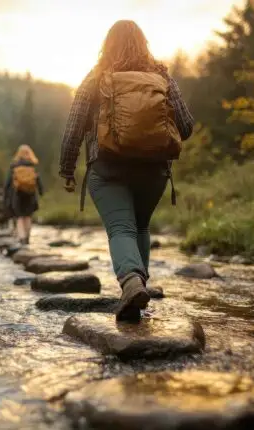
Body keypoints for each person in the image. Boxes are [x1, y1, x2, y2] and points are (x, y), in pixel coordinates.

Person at [58, 20, 195, 321]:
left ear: (107, 45)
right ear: (143, 44)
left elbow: (74, 127)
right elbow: (186, 127)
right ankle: (136, 292)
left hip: (108, 168)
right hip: (154, 171)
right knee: (141, 227)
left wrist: (67, 169)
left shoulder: (96, 77)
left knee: (121, 228)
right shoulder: (162, 77)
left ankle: (131, 282)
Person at [3, 144, 43, 245]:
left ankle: (22, 238)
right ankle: (28, 238)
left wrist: (6, 196)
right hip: (30, 194)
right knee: (28, 216)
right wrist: (41, 191)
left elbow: (7, 183)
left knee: (20, 217)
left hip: (17, 195)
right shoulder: (33, 165)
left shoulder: (14, 166)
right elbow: (38, 180)